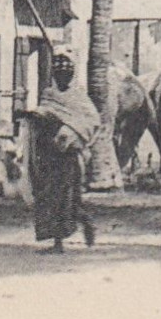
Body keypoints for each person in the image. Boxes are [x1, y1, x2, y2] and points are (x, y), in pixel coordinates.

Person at [26, 50, 99, 253]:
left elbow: (91, 120)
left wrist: (70, 132)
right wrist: (35, 116)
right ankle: (60, 239)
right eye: (58, 74)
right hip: (48, 152)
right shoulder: (49, 94)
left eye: (65, 74)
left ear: (72, 75)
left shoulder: (78, 96)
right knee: (49, 196)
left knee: (66, 197)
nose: (62, 78)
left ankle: (80, 225)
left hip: (67, 155)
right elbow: (44, 114)